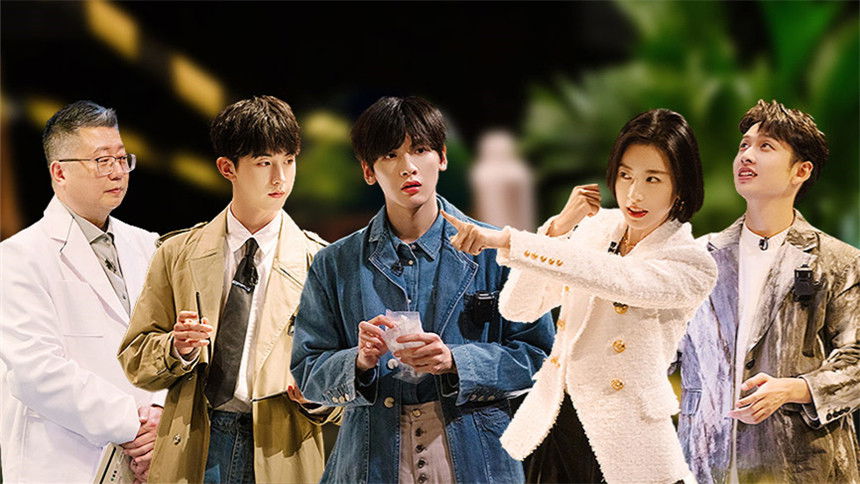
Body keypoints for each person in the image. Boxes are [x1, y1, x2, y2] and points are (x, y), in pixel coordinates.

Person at [290, 96, 555, 484]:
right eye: (390, 155)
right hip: (370, 460)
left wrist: (457, 360)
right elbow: (307, 370)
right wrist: (357, 362)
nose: (408, 167)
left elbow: (541, 357)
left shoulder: (498, 252)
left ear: (442, 157)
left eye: (419, 149)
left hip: (476, 459)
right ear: (368, 171)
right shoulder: (335, 263)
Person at [444, 109, 718, 483]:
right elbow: (518, 307)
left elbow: (617, 278)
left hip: (627, 435)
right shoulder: (596, 227)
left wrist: (507, 240)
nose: (634, 194)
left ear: (681, 186)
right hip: (558, 420)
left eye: (653, 179)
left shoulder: (692, 263)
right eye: (625, 175)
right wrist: (557, 229)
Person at [118, 95, 340, 484]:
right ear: (227, 168)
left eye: (289, 161)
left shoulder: (321, 263)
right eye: (264, 163)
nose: (280, 178)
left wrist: (318, 395)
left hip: (283, 447)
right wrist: (177, 347)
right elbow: (136, 358)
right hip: (196, 442)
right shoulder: (177, 254)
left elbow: (351, 382)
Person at [674, 99, 860, 483]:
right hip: (704, 461)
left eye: (765, 146)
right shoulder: (697, 256)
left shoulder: (839, 262)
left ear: (801, 171)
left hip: (802, 465)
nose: (747, 155)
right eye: (744, 145)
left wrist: (796, 389)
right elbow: (661, 348)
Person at [0, 100, 164, 483]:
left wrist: (161, 416)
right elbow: (35, 372)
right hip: (63, 463)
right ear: (59, 172)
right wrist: (133, 424)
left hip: (148, 461)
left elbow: (167, 344)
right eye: (102, 161)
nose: (117, 172)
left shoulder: (149, 245)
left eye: (122, 159)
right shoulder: (17, 257)